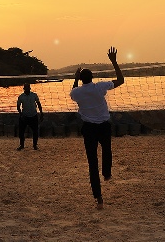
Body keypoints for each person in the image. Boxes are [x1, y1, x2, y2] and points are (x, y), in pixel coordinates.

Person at [69, 46, 125, 210]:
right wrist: (114, 62)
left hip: (89, 129)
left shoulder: (77, 92)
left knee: (92, 163)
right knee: (107, 150)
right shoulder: (99, 87)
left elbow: (73, 91)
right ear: (92, 78)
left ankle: (99, 198)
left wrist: (75, 78)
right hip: (103, 126)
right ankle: (107, 173)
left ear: (81, 79)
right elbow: (120, 80)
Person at [16, 82, 44, 151]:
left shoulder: (34, 95)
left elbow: (38, 103)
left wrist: (41, 113)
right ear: (24, 89)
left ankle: (35, 145)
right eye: (26, 87)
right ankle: (22, 145)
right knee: (21, 131)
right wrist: (21, 114)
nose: (27, 89)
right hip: (24, 116)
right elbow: (18, 106)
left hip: (33, 115)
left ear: (30, 88)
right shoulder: (21, 96)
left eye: (28, 87)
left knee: (35, 131)